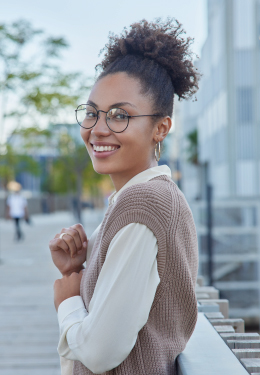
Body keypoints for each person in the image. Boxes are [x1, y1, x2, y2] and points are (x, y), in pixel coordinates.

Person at [49, 19, 199, 375]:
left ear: (161, 127)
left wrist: (67, 301)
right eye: (91, 113)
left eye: (120, 115)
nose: (98, 129)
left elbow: (101, 353)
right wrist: (78, 270)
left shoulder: (144, 203)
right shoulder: (145, 198)